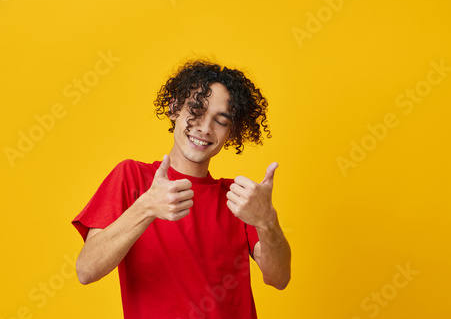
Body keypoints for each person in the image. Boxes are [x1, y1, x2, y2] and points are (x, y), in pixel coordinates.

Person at [72, 60, 291, 319]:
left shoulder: (238, 199)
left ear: (231, 133)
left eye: (220, 121)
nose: (204, 128)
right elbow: (86, 270)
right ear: (174, 108)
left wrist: (268, 221)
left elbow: (279, 277)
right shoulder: (132, 177)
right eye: (196, 111)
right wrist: (146, 208)